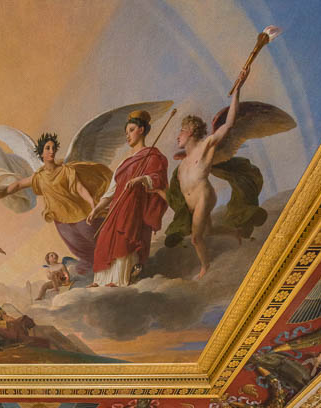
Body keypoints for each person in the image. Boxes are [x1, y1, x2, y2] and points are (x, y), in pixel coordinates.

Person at [167, 69, 250, 279]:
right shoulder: (182, 163)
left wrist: (237, 90)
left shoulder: (206, 145)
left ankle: (206, 268)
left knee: (196, 238)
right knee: (209, 232)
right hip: (191, 201)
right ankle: (235, 233)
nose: (178, 137)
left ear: (192, 132)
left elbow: (228, 125)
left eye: (181, 132)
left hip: (204, 195)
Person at [0, 133, 111, 274]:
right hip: (61, 220)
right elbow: (18, 185)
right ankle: (98, 270)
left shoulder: (66, 170)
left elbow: (79, 188)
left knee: (97, 238)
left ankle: (114, 263)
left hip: (79, 213)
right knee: (77, 246)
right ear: (41, 153)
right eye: (48, 148)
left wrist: (92, 203)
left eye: (53, 148)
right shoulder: (40, 177)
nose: (52, 151)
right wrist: (2, 193)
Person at [87, 111, 168, 287]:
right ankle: (101, 280)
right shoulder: (124, 163)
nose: (128, 135)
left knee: (124, 242)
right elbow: (110, 192)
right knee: (104, 240)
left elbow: (158, 179)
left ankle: (119, 280)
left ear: (141, 130)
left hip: (134, 209)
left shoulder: (152, 156)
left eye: (131, 130)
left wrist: (141, 179)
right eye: (126, 132)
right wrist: (96, 209)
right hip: (117, 208)